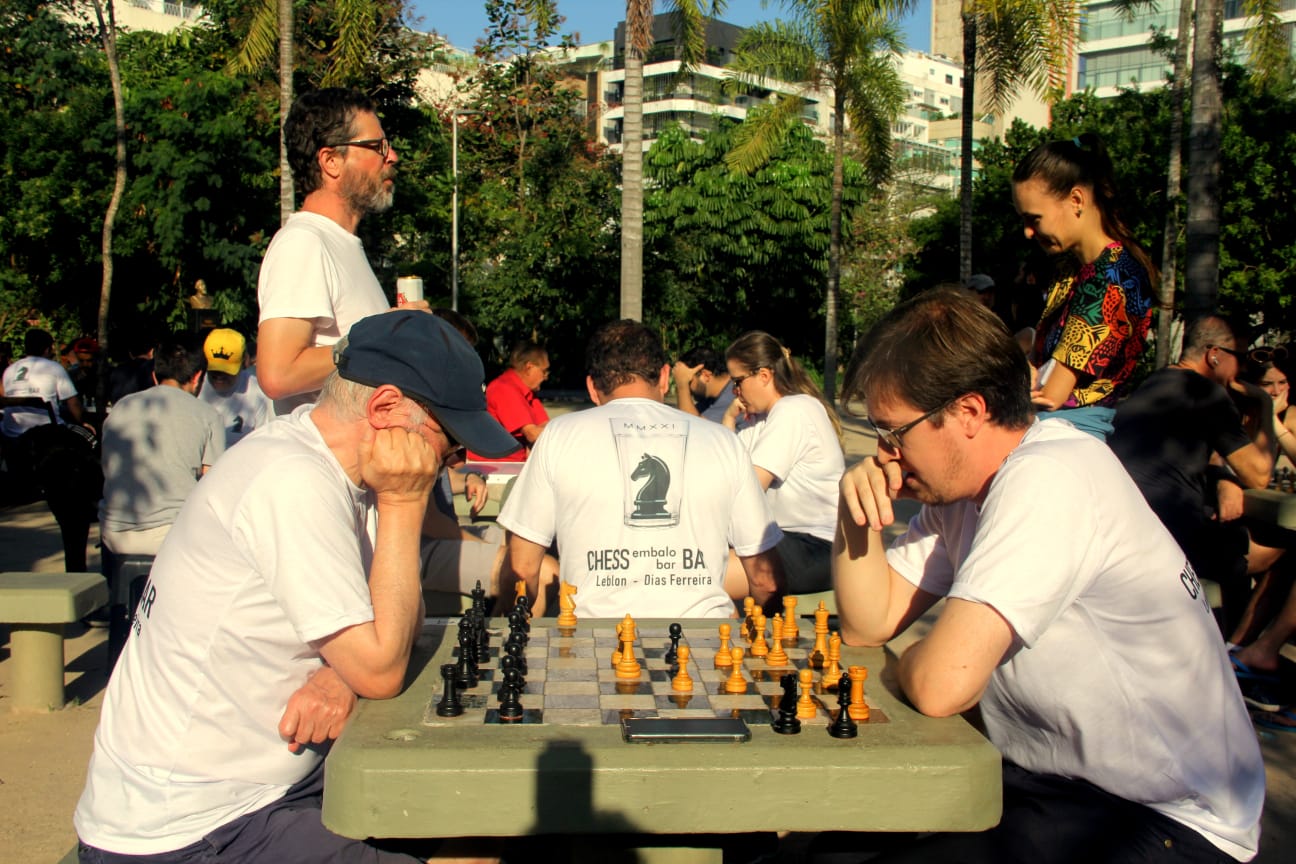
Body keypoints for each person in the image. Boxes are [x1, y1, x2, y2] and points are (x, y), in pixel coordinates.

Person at [833, 289, 1263, 863]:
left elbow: (942, 684)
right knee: (836, 844)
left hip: (1169, 821)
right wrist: (852, 511)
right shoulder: (963, 493)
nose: (886, 454)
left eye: (894, 433)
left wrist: (909, 662)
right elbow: (868, 624)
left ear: (967, 412)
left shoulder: (1051, 474)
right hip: (1061, 792)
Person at [74, 310, 519, 863]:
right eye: (449, 442)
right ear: (383, 409)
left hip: (265, 787)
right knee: (476, 848)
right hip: (192, 828)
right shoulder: (292, 481)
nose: (449, 461)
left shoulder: (334, 469)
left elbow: (385, 630)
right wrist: (405, 504)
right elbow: (383, 668)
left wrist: (339, 673)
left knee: (484, 810)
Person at [500, 319, 782, 619]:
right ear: (664, 378)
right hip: (706, 642)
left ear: (592, 388)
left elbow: (523, 567)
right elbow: (765, 579)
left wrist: (501, 629)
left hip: (594, 641)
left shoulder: (558, 435)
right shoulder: (723, 441)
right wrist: (769, 639)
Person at [1109, 316, 1277, 637]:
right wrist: (1265, 405)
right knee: (1279, 545)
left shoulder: (1156, 383)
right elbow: (1259, 474)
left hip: (1132, 529)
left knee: (1229, 537)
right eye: (1238, 358)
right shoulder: (1206, 393)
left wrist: (1222, 478)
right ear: (1214, 355)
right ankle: (1244, 650)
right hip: (1174, 539)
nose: (1240, 370)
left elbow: (1202, 449)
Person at [256, 88, 419, 415]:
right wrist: (382, 337)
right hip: (315, 463)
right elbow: (277, 374)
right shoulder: (303, 242)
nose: (392, 156)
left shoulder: (340, 245)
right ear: (331, 161)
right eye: (378, 147)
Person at [1012, 133, 1156, 440]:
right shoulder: (1073, 270)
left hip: (1067, 434)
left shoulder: (1113, 276)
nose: (1027, 232)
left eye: (1034, 219)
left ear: (1076, 200)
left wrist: (1014, 369)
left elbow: (1051, 395)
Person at [722, 331, 844, 596]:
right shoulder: (758, 420)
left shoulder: (795, 410)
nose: (735, 391)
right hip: (781, 541)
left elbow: (747, 491)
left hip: (816, 547)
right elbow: (727, 476)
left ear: (764, 375)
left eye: (738, 381)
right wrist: (729, 421)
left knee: (697, 573)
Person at [99, 335, 226, 557]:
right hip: (171, 533)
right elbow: (211, 481)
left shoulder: (121, 406)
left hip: (114, 533)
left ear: (155, 377)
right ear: (197, 377)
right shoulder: (208, 415)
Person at [2, 329, 101, 568]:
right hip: (45, 432)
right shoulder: (54, 368)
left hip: (12, 434)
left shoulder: (10, 370)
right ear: (48, 349)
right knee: (89, 438)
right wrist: (83, 422)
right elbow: (73, 404)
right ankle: (94, 494)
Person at [466, 339, 550, 462]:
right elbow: (532, 434)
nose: (546, 376)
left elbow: (546, 425)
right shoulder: (504, 388)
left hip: (512, 462)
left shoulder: (528, 392)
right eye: (544, 371)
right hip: (495, 467)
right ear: (529, 367)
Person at [199, 328, 274, 448]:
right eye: (215, 369)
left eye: (226, 370)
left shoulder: (257, 392)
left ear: (243, 361)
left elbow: (262, 444)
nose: (219, 375)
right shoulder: (195, 387)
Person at [671, 346, 737, 423]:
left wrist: (682, 385)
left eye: (688, 381)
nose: (688, 390)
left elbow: (692, 426)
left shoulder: (733, 396)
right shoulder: (711, 398)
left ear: (706, 375)